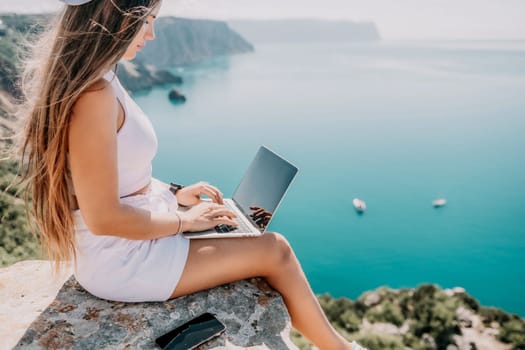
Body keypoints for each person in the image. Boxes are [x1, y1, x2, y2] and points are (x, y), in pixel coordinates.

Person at [16, 1, 366, 349]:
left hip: (126, 246)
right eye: (147, 21)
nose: (151, 34)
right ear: (115, 13)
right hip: (122, 261)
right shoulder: (95, 95)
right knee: (276, 251)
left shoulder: (99, 81)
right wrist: (186, 222)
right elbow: (105, 217)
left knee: (242, 230)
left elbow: (118, 177)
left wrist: (174, 195)